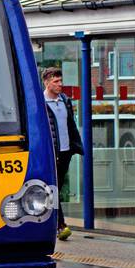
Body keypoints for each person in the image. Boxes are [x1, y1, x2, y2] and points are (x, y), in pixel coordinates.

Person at [42, 67, 83, 241]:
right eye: (56, 81)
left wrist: (76, 146)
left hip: (66, 151)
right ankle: (60, 225)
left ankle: (53, 224)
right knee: (53, 188)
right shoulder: (41, 102)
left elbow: (71, 125)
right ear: (46, 82)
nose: (60, 84)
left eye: (61, 81)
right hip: (52, 152)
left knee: (56, 188)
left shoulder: (65, 100)